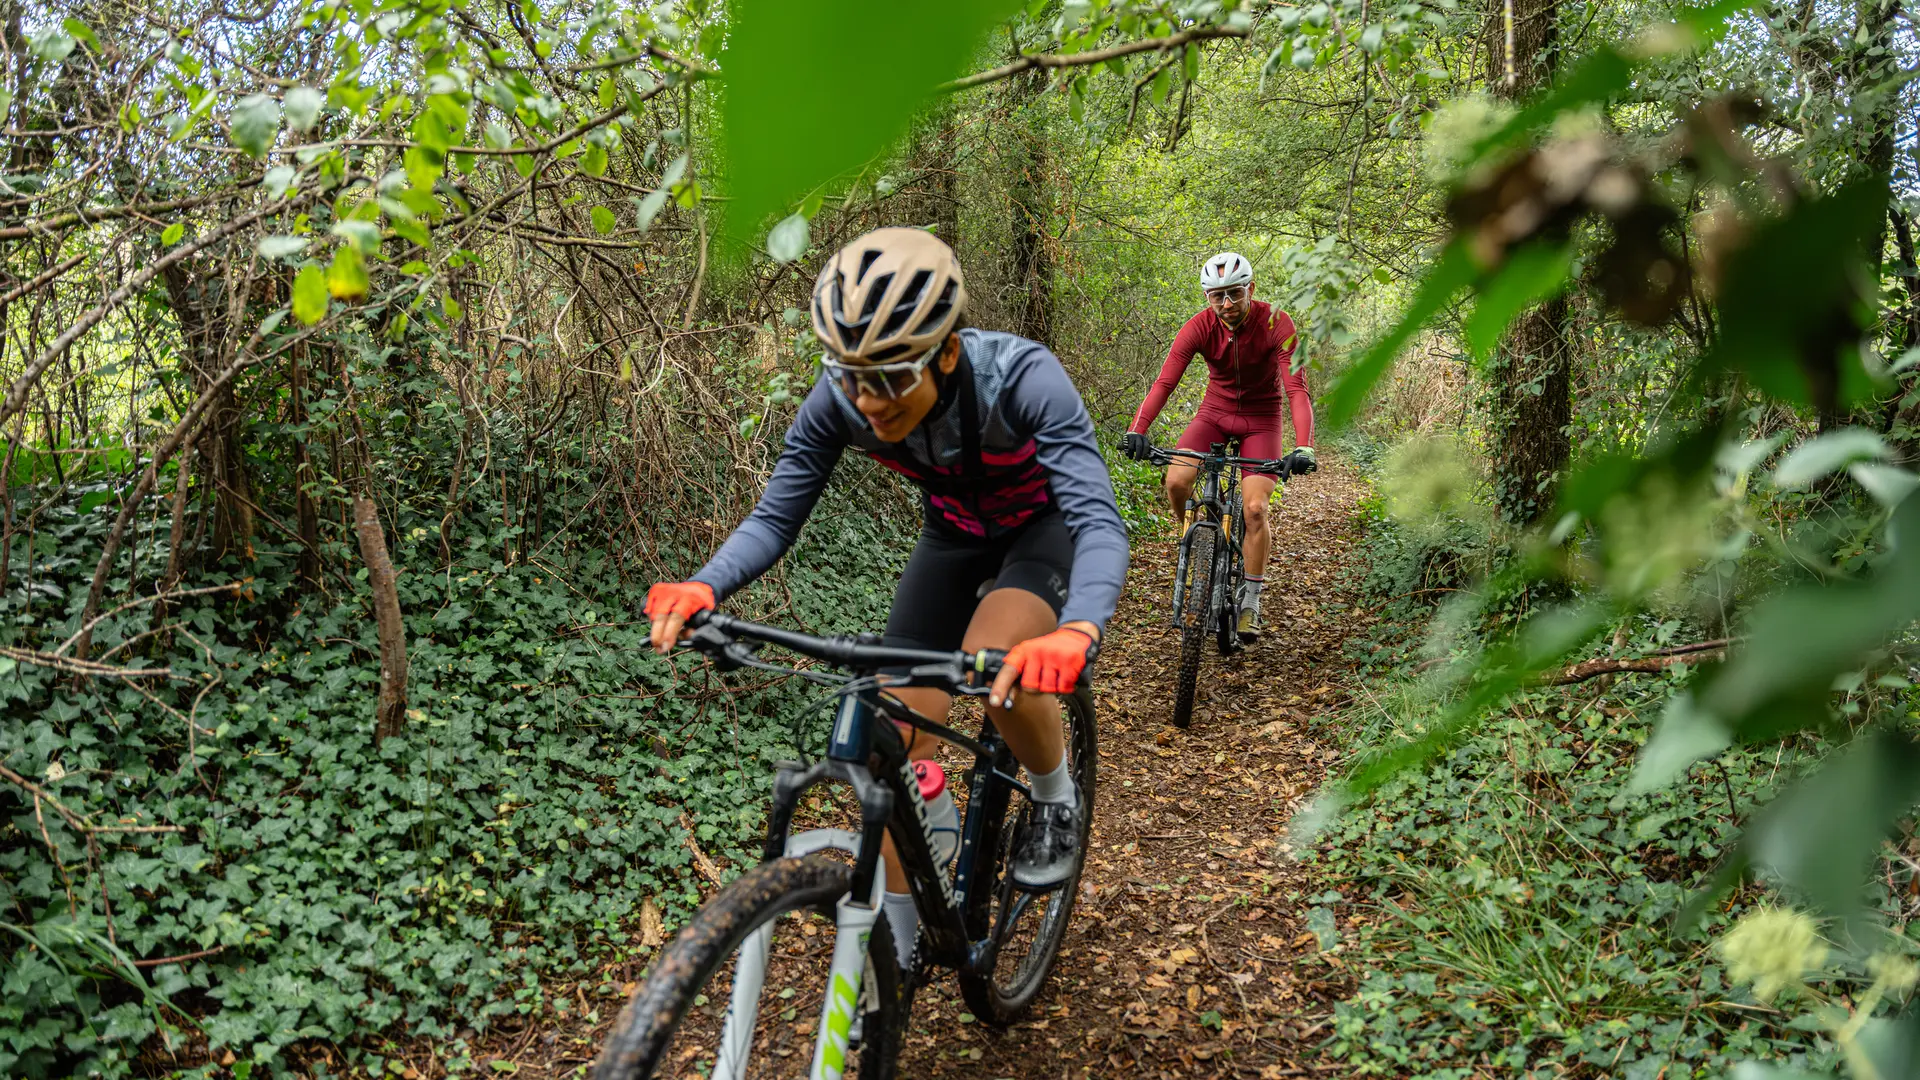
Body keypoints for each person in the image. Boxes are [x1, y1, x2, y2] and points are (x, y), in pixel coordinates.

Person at [644, 227, 1128, 969]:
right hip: (953, 536)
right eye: (851, 377)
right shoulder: (840, 401)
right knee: (892, 749)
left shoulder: (1023, 379)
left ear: (948, 352)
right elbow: (777, 515)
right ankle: (901, 950)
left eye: (893, 377)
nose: (870, 402)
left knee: (994, 672)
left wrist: (1079, 628)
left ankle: (1056, 797)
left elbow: (1097, 518)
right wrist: (706, 582)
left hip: (1043, 533)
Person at [1119, 251, 1316, 640]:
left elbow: (1296, 388)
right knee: (1176, 481)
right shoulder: (1197, 327)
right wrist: (1137, 429)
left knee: (1256, 507)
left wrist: (1304, 446)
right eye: (1216, 296)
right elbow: (1165, 383)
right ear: (1207, 296)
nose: (1226, 304)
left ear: (1251, 289)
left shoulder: (1278, 322)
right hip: (1214, 412)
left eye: (1235, 294)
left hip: (1262, 418)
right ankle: (1196, 540)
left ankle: (1251, 602)